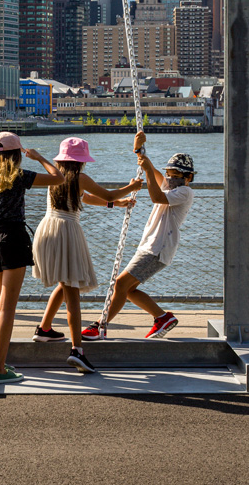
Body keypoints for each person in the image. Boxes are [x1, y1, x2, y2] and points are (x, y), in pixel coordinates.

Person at [31, 136, 142, 373]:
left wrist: (117, 205)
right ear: (81, 162)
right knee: (72, 292)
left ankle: (44, 329)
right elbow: (108, 194)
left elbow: (86, 198)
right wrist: (132, 187)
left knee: (64, 282)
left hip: (47, 230)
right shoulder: (80, 178)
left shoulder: (55, 178)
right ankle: (77, 351)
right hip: (67, 232)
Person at [0, 131, 63, 384]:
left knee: (2, 305)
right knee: (7, 307)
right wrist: (39, 157)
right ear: (17, 155)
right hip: (13, 238)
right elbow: (59, 178)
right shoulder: (20, 177)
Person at [82, 130, 194, 340]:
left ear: (188, 178)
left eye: (176, 175)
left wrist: (148, 173)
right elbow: (150, 170)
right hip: (150, 246)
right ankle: (162, 318)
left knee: (120, 285)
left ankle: (100, 325)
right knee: (129, 290)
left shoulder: (184, 192)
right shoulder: (170, 186)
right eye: (169, 174)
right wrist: (139, 151)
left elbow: (156, 196)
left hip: (158, 248)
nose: (170, 178)